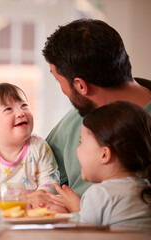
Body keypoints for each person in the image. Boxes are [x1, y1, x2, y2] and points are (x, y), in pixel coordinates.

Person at [28, 18, 151, 210]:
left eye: (58, 80)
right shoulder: (76, 118)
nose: (63, 90)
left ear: (80, 85)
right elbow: (40, 179)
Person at [47, 101, 151, 231]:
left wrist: (59, 217)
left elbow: (82, 233)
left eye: (81, 143)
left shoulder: (100, 193)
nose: (77, 150)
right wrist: (77, 208)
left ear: (104, 155)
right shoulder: (145, 187)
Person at [0, 83, 59, 207]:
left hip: (32, 214)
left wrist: (39, 197)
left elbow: (50, 181)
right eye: (8, 109)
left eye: (24, 105)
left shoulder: (39, 146)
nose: (21, 113)